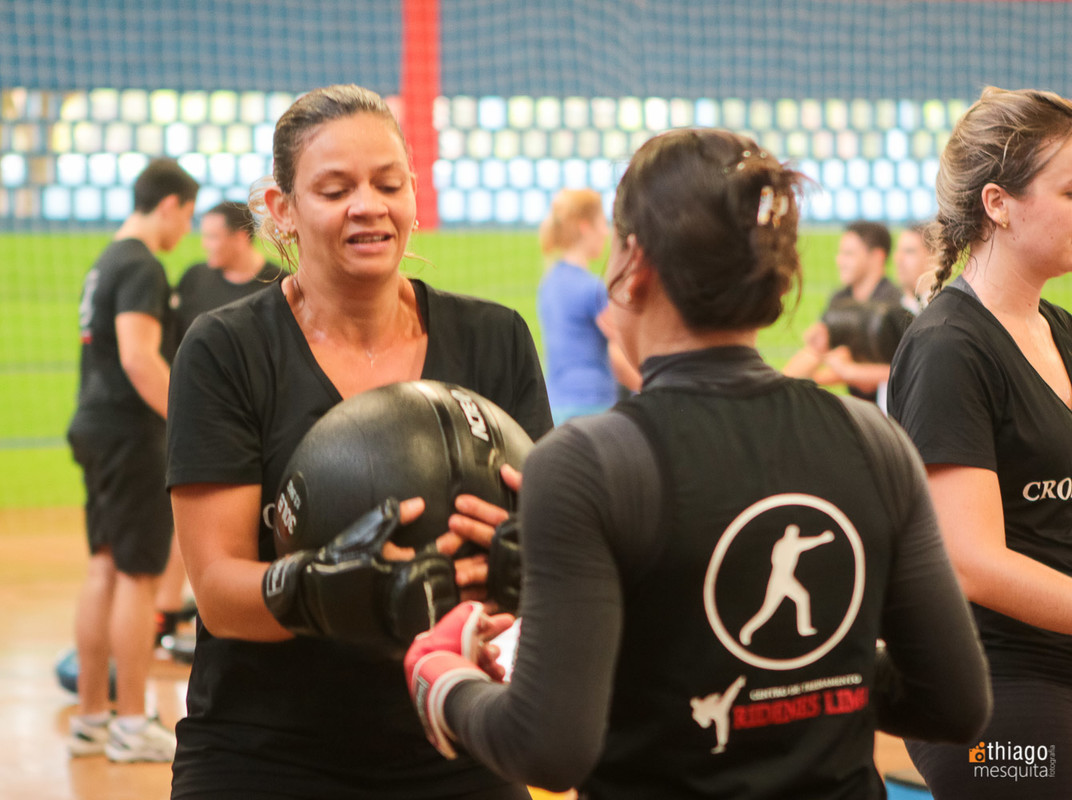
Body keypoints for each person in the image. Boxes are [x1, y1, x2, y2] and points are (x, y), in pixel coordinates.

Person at [404, 128, 991, 799]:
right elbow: (954, 701)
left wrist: (442, 677)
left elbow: (547, 748)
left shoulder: (583, 465)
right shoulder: (873, 440)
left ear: (634, 261)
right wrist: (819, 673)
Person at [165, 84, 552, 799]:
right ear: (282, 209)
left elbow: (540, 549)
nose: (368, 206)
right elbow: (218, 593)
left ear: (413, 195)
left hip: (452, 730)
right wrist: (325, 589)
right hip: (263, 748)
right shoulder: (226, 350)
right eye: (335, 189)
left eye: (388, 184)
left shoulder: (495, 339)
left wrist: (521, 569)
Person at [887, 86, 1072, 800]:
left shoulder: (1058, 330)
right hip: (992, 698)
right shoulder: (948, 347)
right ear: (999, 204)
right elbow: (973, 565)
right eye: (1069, 192)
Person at [65, 157, 198, 762]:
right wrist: (190, 420)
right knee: (138, 579)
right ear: (169, 205)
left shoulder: (105, 262)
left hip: (95, 427)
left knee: (104, 569)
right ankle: (130, 724)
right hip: (128, 433)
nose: (185, 231)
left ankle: (92, 718)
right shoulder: (143, 265)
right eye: (186, 217)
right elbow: (139, 357)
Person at [154, 200, 282, 648]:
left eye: (212, 236)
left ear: (240, 237)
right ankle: (166, 612)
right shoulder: (194, 280)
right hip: (200, 424)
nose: (205, 244)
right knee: (189, 518)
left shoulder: (278, 283)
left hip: (259, 430)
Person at [536, 189, 640, 424]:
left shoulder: (549, 282)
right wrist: (650, 387)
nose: (606, 231)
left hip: (557, 407)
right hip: (592, 407)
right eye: (602, 223)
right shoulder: (591, 288)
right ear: (585, 227)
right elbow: (620, 351)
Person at [783, 221, 904, 402]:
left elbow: (889, 375)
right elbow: (815, 352)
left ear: (877, 257)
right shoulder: (840, 300)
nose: (839, 260)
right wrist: (782, 384)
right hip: (860, 406)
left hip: (891, 409)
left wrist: (841, 371)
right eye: (840, 253)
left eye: (849, 254)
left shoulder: (894, 306)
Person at [894, 222, 937, 314]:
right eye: (898, 251)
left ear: (933, 257)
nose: (899, 259)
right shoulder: (890, 307)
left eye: (909, 251)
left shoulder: (945, 307)